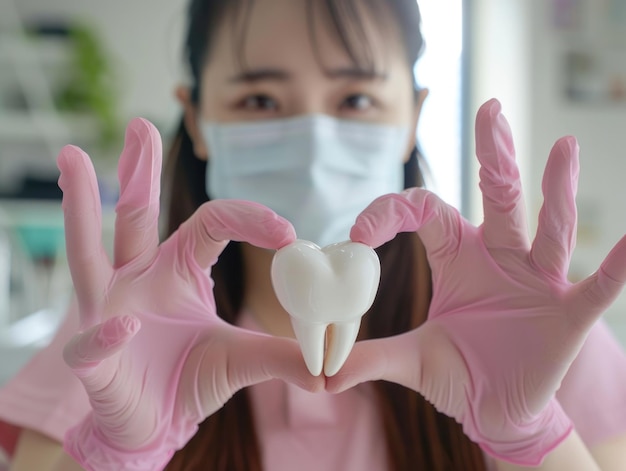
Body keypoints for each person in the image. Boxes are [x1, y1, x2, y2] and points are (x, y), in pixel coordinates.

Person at [1, 0, 626, 470]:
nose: (314, 142)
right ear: (196, 119)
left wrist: (532, 437)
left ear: (413, 115)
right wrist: (113, 455)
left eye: (355, 98)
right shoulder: (112, 338)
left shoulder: (537, 331)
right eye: (260, 101)